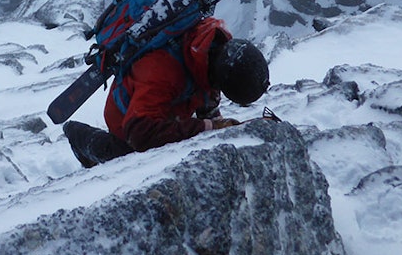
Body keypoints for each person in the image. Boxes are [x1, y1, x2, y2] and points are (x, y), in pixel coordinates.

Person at [63, 16, 269, 168]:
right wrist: (208, 127)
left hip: (170, 104)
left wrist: (215, 124)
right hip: (127, 118)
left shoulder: (215, 50)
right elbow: (139, 134)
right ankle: (78, 136)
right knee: (129, 157)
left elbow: (208, 96)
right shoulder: (163, 72)